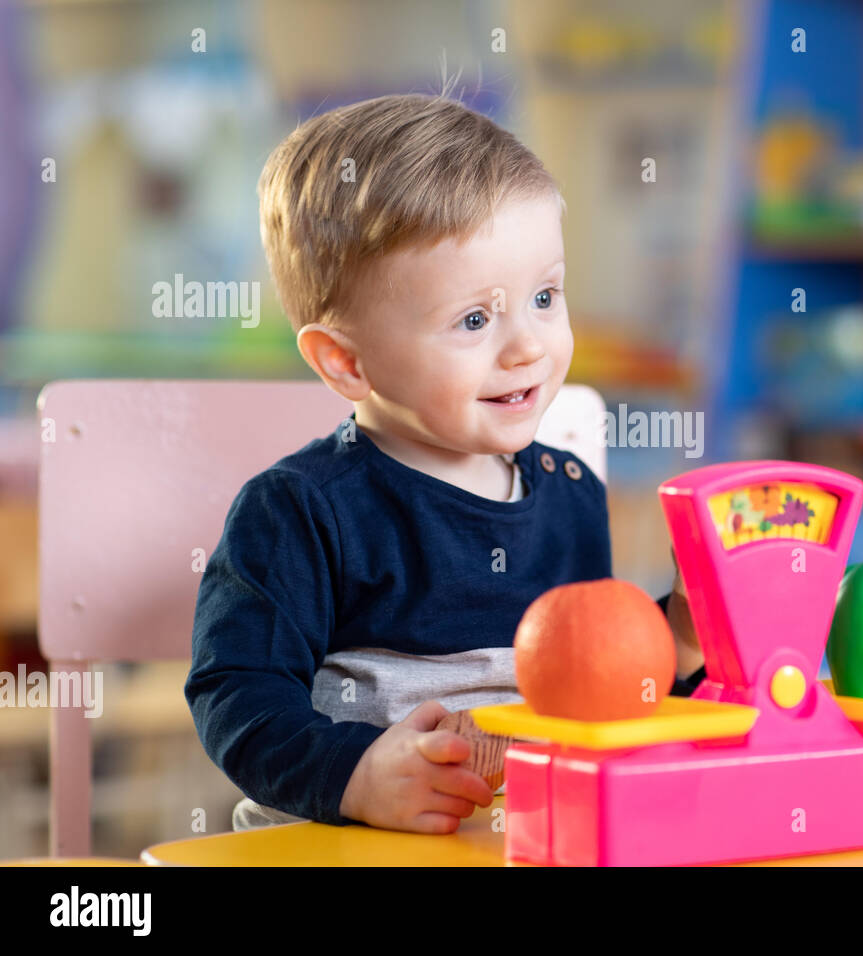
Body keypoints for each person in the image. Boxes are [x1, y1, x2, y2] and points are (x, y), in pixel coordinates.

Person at [185, 93, 705, 835]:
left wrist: (680, 638)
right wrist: (358, 776)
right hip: (342, 844)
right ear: (347, 361)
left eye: (544, 297)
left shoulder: (571, 492)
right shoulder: (299, 508)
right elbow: (237, 696)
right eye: (473, 319)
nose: (527, 346)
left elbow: (596, 677)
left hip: (518, 839)